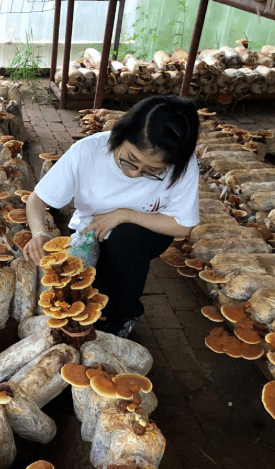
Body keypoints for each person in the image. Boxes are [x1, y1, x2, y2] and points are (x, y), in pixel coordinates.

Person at [24, 95, 200, 338]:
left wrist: (124, 215)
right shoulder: (88, 151)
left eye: (153, 171)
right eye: (131, 160)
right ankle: (110, 302)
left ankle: (125, 315)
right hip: (90, 233)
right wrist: (40, 232)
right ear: (121, 134)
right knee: (87, 296)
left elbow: (183, 225)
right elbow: (37, 199)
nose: (136, 173)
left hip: (144, 234)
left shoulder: (183, 164)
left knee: (125, 241)